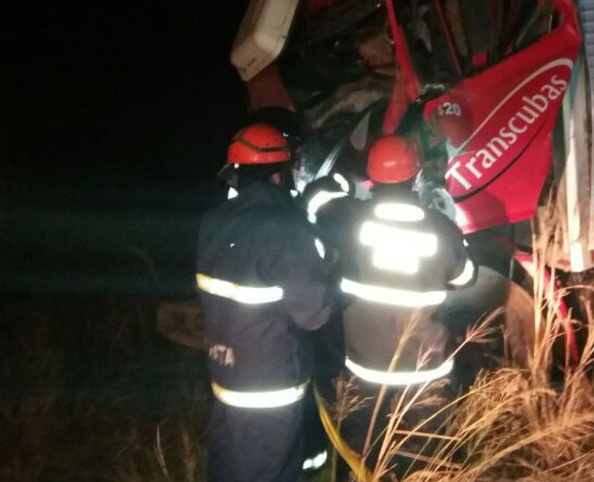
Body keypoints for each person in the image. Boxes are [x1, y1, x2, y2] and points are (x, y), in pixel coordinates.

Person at [314, 135, 477, 479]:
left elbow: (315, 204)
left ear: (371, 177)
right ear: (415, 176)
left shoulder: (349, 222)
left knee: (363, 455)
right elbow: (466, 278)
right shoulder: (440, 228)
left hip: (366, 368)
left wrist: (339, 183)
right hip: (424, 371)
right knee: (425, 458)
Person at [195, 122, 332, 482]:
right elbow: (313, 314)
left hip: (224, 374)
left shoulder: (213, 222)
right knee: (272, 471)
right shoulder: (287, 228)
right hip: (270, 384)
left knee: (228, 466)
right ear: (279, 175)